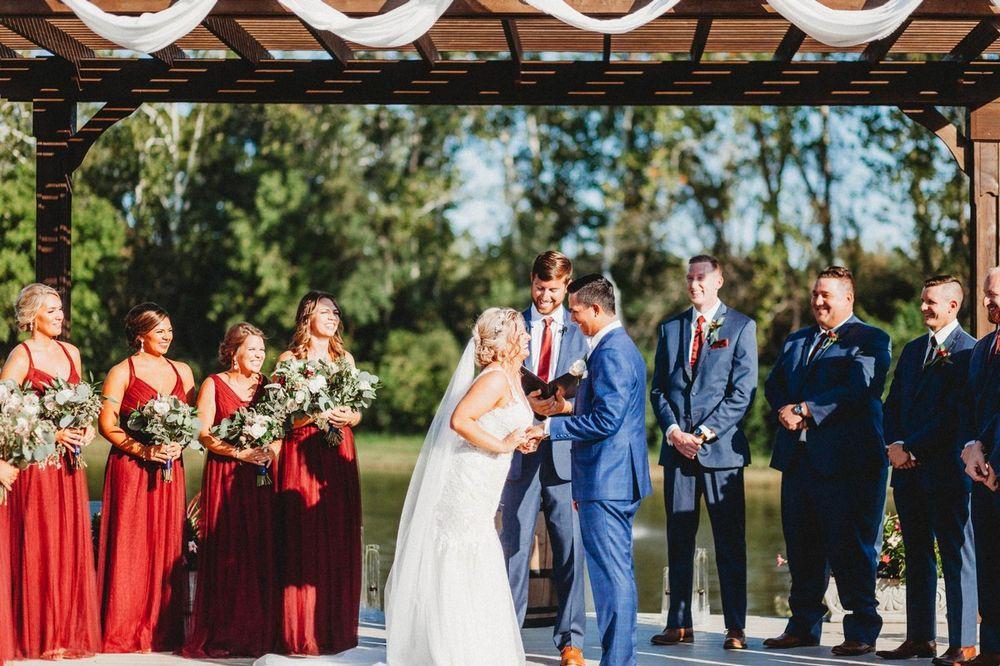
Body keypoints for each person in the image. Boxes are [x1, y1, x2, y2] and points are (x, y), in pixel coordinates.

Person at [384, 307, 538, 665]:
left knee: (477, 547)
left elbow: (500, 423)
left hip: (488, 477)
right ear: (505, 341)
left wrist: (519, 441)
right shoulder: (494, 378)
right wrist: (502, 445)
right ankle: (450, 647)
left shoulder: (512, 375)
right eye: (522, 332)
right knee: (462, 547)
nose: (528, 336)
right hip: (469, 475)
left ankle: (477, 642)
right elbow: (460, 420)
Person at [763, 266, 891, 657]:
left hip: (849, 463)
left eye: (826, 295)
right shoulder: (797, 340)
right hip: (798, 460)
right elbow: (774, 384)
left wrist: (806, 409)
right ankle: (803, 626)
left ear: (848, 298)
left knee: (851, 548)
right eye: (815, 294)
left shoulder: (871, 338)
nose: (818, 301)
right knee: (802, 547)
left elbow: (860, 388)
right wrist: (785, 409)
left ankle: (862, 629)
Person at [529, 274, 653, 666]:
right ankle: (620, 659)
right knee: (615, 574)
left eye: (576, 311)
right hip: (611, 477)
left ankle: (618, 661)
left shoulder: (611, 352)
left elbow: (607, 421)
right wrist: (566, 406)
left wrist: (549, 428)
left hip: (607, 479)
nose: (572, 318)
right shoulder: (614, 347)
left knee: (611, 578)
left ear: (596, 309)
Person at [649, 254, 757, 650]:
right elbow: (659, 390)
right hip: (678, 451)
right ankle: (679, 624)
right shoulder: (670, 328)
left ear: (718, 281)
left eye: (701, 278)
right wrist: (674, 432)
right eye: (689, 278)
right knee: (678, 538)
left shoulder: (741, 326)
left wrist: (704, 433)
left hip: (722, 452)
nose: (694, 284)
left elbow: (743, 393)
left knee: (730, 542)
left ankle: (735, 628)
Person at [877, 276, 977, 665]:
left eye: (930, 302)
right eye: (922, 301)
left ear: (953, 305)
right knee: (918, 555)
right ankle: (920, 638)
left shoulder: (969, 351)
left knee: (956, 555)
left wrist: (913, 447)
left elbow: (954, 414)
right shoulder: (913, 349)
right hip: (907, 472)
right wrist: (894, 444)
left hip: (946, 472)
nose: (923, 308)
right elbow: (892, 403)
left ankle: (963, 642)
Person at [0, 283, 101, 659]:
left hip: (69, 467)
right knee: (41, 544)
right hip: (38, 465)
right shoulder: (21, 355)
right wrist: (50, 432)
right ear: (32, 316)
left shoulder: (72, 352)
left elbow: (83, 406)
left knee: (67, 546)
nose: (60, 316)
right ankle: (38, 634)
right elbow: (5, 414)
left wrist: (87, 427)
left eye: (61, 309)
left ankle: (63, 631)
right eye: (52, 310)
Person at [500, 250, 588, 666]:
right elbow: (493, 383)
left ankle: (571, 641)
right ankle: (506, 636)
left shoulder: (583, 329)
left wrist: (563, 407)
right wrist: (525, 405)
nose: (545, 297)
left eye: (553, 290)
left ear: (567, 286)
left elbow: (596, 393)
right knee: (514, 546)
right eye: (539, 287)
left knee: (570, 548)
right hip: (521, 450)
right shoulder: (512, 327)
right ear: (530, 281)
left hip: (567, 455)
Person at [97, 302, 196, 652]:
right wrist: (144, 450)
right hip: (132, 468)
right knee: (130, 544)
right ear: (140, 335)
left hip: (170, 469)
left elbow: (192, 420)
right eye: (159, 331)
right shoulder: (121, 371)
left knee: (167, 545)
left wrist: (179, 442)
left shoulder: (183, 371)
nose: (167, 336)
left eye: (170, 330)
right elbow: (106, 423)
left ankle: (161, 629)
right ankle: (123, 627)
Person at [183, 323, 280, 658]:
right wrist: (240, 453)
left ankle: (257, 632)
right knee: (226, 546)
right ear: (234, 352)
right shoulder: (214, 383)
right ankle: (222, 632)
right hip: (225, 473)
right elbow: (204, 434)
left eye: (262, 350)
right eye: (252, 349)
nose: (259, 355)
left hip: (260, 477)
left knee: (257, 549)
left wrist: (271, 452)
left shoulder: (268, 386)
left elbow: (280, 430)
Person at [275, 291, 363, 655]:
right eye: (326, 311)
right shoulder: (289, 360)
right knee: (304, 534)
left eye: (336, 313)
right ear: (307, 316)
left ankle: (336, 630)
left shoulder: (345, 359)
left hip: (339, 451)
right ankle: (300, 631)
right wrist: (315, 414)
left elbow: (357, 409)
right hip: (302, 450)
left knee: (339, 533)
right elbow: (280, 416)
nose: (333, 317)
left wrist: (350, 416)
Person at [959, 267, 1000, 666]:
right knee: (988, 561)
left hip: (996, 468)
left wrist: (995, 462)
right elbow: (972, 409)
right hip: (981, 472)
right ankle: (992, 649)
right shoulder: (982, 348)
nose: (988, 301)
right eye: (986, 294)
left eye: (995, 295)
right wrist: (971, 448)